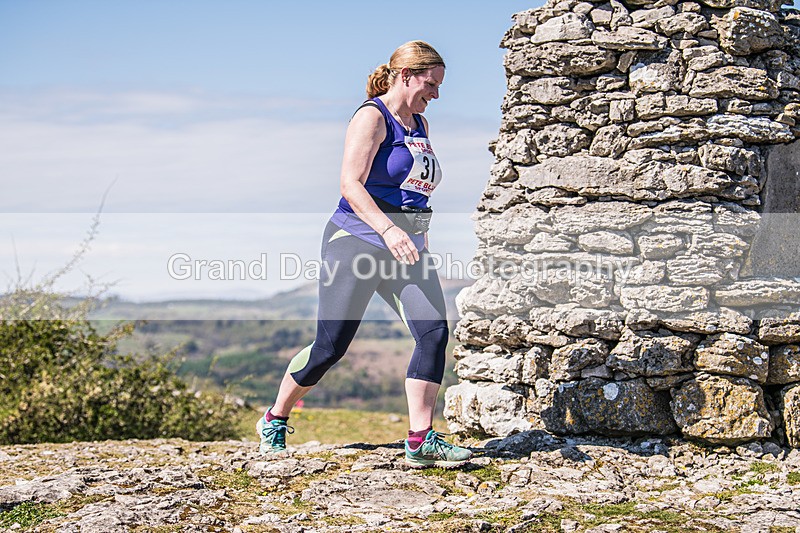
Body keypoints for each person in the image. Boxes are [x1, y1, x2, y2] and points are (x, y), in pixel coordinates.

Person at [256, 40, 472, 469]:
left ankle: (420, 439)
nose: (436, 94)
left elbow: (413, 191)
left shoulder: (421, 124)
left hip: (406, 246)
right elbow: (350, 184)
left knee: (433, 332)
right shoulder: (372, 116)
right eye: (431, 84)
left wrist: (420, 236)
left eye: (439, 86)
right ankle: (275, 418)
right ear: (406, 76)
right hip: (356, 242)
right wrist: (388, 229)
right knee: (330, 347)